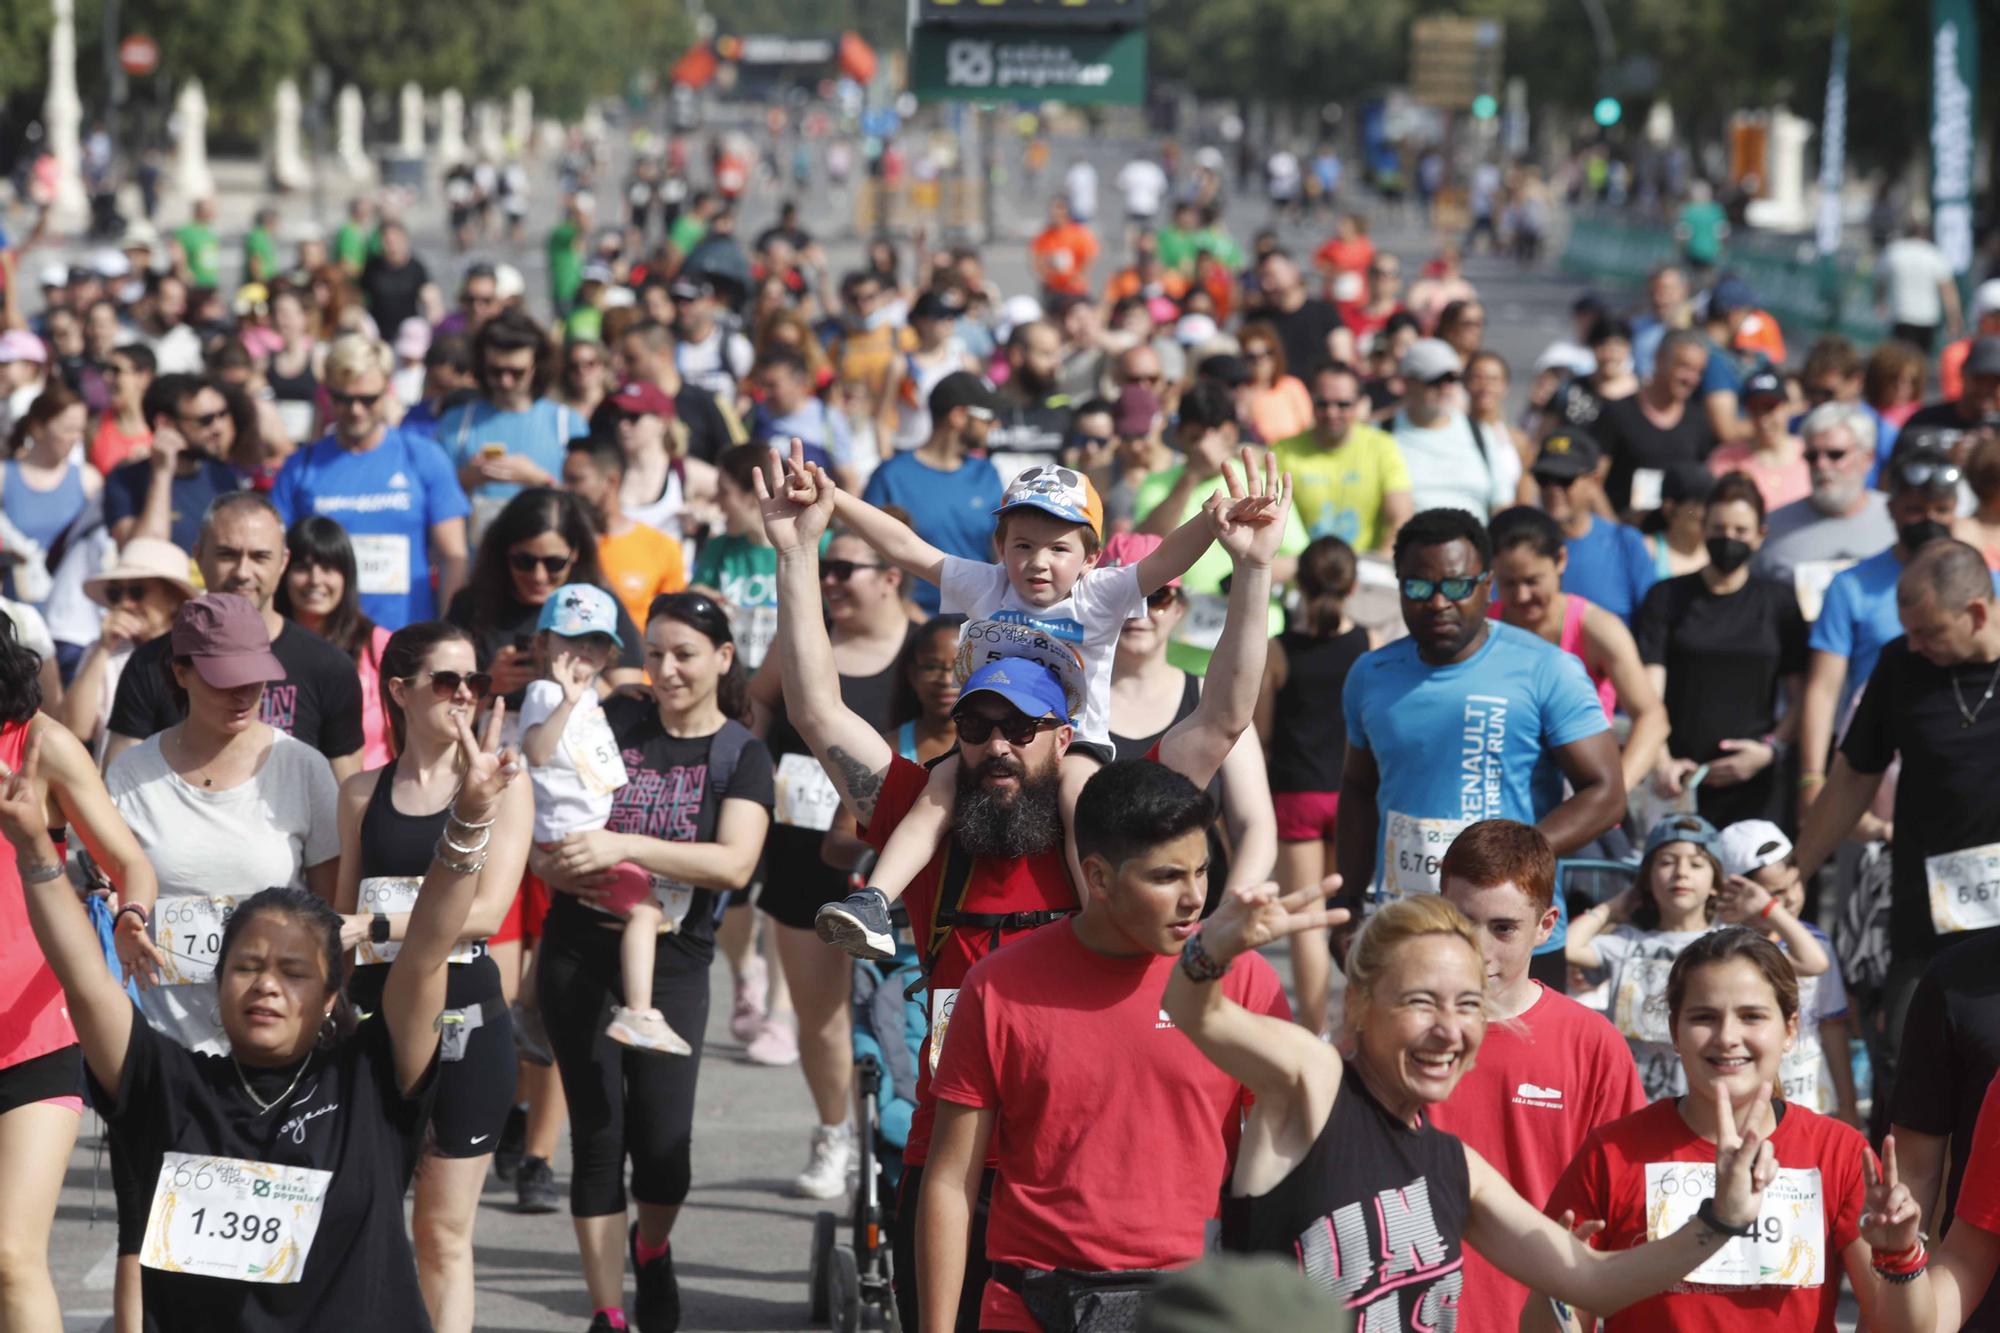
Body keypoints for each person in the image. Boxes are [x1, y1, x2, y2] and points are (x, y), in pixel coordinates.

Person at [760, 438, 1288, 1331]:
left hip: (1093, 1174)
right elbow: (817, 709)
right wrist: (795, 549)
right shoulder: (932, 826)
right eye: (977, 723)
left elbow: (1225, 716)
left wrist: (1253, 575)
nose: (996, 743)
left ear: (1065, 727)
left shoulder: (1112, 825)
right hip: (953, 1160)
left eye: (1021, 724)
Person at [14, 674, 519, 1331]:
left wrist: (471, 817)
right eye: (246, 966)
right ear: (219, 984)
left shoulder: (372, 1077)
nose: (266, 984)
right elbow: (84, 978)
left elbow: (426, 947)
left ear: (333, 992)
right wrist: (33, 848)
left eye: (292, 970)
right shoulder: (170, 1081)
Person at [1165, 891, 1787, 1327]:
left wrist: (1721, 1220)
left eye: (1467, 1005)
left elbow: (1595, 1280)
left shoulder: (1452, 1165)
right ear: (1359, 1004)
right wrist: (1210, 950)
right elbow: (1201, 1014)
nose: (1448, 1029)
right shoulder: (1316, 1086)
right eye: (1420, 1002)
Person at [817, 453, 1274, 962]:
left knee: (1082, 800)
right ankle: (875, 901)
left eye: (1059, 548)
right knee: (937, 791)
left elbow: (1166, 560)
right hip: (992, 738)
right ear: (1000, 548)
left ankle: (1098, 925)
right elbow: (906, 548)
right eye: (1023, 545)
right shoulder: (987, 585)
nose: (1038, 562)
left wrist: (1211, 521)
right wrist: (834, 497)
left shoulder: (1102, 595)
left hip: (1073, 742)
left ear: (1091, 557)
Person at [917, 760, 1293, 1331]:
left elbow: (1279, 1160)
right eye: (1167, 877)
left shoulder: (1241, 980)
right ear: (1097, 878)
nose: (1195, 898)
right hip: (1033, 1299)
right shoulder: (997, 986)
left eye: (1202, 870)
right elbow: (949, 1179)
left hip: (1193, 1302)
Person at [528, 592, 774, 1332]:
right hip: (579, 949)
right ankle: (608, 1311)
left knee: (663, 1151)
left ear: (723, 659)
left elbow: (733, 864)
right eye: (656, 652)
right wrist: (552, 866)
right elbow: (544, 800)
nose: (666, 669)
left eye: (685, 654)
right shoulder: (616, 719)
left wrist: (624, 846)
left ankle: (652, 1243)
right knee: (598, 1135)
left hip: (675, 960)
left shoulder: (740, 753)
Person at [101, 592, 345, 1331]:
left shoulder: (301, 768)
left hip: (274, 1057)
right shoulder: (131, 774)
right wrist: (126, 921)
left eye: (257, 676)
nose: (245, 692)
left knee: (261, 1254)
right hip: (167, 1048)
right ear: (179, 672)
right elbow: (110, 890)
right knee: (149, 1233)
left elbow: (330, 917)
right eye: (223, 675)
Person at [1542, 926, 1901, 1332]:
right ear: (1675, 1030)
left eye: (1751, 1016)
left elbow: (1899, 1323)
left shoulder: (1837, 1151)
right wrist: (1556, 1287)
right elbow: (1550, 1322)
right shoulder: (1612, 1152)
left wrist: (1903, 1255)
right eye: (1704, 1017)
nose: (1728, 1037)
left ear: (1789, 1029)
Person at [1795, 541, 2000, 1138]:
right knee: (1907, 1059)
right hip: (1925, 910)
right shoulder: (1900, 665)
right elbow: (1855, 774)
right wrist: (1801, 865)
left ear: (1978, 613)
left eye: (1930, 631)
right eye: (1908, 630)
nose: (1916, 644)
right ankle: (1904, 1224)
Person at [1336, 508, 1624, 904]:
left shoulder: (1547, 668)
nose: (1438, 603)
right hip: (1406, 925)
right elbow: (1357, 788)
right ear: (1399, 586)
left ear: (1487, 586)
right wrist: (1347, 901)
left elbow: (1606, 794)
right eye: (1419, 587)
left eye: (1457, 586)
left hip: (1515, 930)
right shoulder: (1371, 674)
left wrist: (1515, 858)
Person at [1427, 820, 1648, 1333]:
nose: (1480, 948)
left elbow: (1627, 1210)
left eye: (1503, 928)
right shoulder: (1398, 1031)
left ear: (1547, 926)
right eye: (1461, 920)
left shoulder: (1591, 1044)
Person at [0, 613, 156, 1333]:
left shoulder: (39, 743)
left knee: (10, 1255)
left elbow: (128, 861)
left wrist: (133, 917)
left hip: (35, 1034)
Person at [104, 492, 366, 779]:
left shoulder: (329, 667)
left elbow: (347, 800)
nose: (243, 572)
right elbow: (118, 786)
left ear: (283, 562)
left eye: (260, 556)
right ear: (199, 556)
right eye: (227, 554)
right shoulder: (151, 663)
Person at [1799, 446, 1975, 816]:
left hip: (1963, 765)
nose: (1928, 519)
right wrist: (1812, 777)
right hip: (1873, 772)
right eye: (1915, 509)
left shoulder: (1985, 586)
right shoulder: (1851, 586)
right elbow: (1823, 688)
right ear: (1891, 509)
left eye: (1940, 510)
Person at [1636, 472, 1807, 828]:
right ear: (1703, 529)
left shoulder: (1779, 602)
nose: (1728, 539)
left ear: (1761, 535)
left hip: (1757, 778)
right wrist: (1662, 760)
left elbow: (1802, 694)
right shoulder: (1665, 596)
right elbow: (1649, 689)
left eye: (1740, 531)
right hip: (1683, 777)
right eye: (1719, 528)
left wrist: (1769, 750)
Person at [269, 334, 470, 630]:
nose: (356, 410)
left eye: (368, 399)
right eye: (343, 399)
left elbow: (454, 556)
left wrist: (448, 632)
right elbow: (275, 557)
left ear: (388, 390)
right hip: (323, 641)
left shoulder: (422, 457)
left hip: (404, 638)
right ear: (327, 394)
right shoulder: (302, 466)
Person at [1255, 535, 1370, 1036]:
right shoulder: (1369, 645)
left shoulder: (1278, 652)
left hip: (1296, 795)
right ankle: (1355, 1031)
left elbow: (1259, 734)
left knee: (1306, 919)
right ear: (1354, 587)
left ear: (1298, 583)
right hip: (1352, 795)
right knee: (1350, 916)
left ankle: (1315, 1031)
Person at [1490, 506, 1670, 799]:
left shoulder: (1597, 629)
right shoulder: (1484, 629)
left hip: (1580, 795)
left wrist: (1610, 795)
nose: (1522, 596)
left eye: (1533, 581)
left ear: (1560, 560)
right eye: (1508, 583)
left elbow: (1652, 717)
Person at [1714, 819, 1858, 1122]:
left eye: (1796, 882)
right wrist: (1769, 911)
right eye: (1774, 893)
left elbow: (1832, 1028)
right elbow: (1811, 963)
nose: (1791, 897)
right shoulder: (1718, 949)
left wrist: (1848, 1106)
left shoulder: (1815, 942)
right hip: (1744, 1106)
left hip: (1811, 1101)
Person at [444, 487, 645, 702]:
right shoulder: (471, 606)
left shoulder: (600, 606)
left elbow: (629, 704)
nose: (539, 576)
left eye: (554, 563)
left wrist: (578, 675)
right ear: (504, 553)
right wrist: (488, 685)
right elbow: (442, 710)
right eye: (524, 561)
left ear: (575, 553)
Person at [861, 372, 1006, 615]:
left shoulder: (987, 473)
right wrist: (904, 609)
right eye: (988, 417)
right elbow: (867, 553)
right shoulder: (890, 476)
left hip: (977, 621)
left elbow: (1000, 552)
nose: (995, 425)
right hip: (908, 624)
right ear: (958, 416)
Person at [441, 308, 590, 538]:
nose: (505, 381)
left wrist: (538, 480)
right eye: (495, 371)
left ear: (535, 367)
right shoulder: (456, 424)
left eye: (516, 372)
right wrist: (472, 476)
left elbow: (587, 506)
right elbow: (432, 495)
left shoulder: (567, 424)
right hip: (476, 562)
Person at [275, 516, 395, 772]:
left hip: (368, 800)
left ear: (347, 575)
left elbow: (404, 740)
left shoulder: (378, 645)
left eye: (328, 568)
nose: (315, 580)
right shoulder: (265, 645)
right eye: (302, 568)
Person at [56, 538, 195, 757]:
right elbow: (75, 730)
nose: (125, 603)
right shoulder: (102, 650)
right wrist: (102, 648)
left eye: (137, 592)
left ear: (173, 598)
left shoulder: (196, 652)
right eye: (115, 594)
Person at [1752, 402, 1895, 614]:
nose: (1821, 464)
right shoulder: (1772, 528)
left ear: (1867, 459)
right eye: (1812, 456)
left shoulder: (1896, 517)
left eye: (1835, 455)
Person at [1271, 361, 1411, 553]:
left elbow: (1400, 518)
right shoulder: (1283, 451)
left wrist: (1378, 566)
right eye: (1322, 403)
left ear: (1360, 404)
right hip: (1302, 572)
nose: (1331, 412)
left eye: (1342, 404)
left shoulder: (1382, 446)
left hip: (1366, 569)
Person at [104, 372, 245, 552]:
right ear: (165, 423)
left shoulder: (223, 475)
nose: (219, 428)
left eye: (222, 414)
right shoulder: (125, 480)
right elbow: (143, 553)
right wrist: (162, 473)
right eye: (206, 420)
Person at [1530, 430, 1660, 624]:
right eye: (1544, 478)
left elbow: (1653, 622)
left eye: (1565, 479)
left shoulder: (1625, 543)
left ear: (1594, 482)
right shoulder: (1523, 546)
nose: (1553, 489)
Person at [562, 433, 686, 630]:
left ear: (611, 481)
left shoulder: (661, 547)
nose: (565, 489)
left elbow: (673, 626)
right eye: (565, 480)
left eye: (576, 480)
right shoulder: (556, 546)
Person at [1593, 330, 1719, 516]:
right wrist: (1617, 533)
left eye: (1698, 371)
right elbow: (1593, 481)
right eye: (1684, 367)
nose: (1690, 379)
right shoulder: (1617, 413)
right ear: (1660, 359)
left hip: (1671, 540)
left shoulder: (1698, 421)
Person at [1391, 339, 1514, 522]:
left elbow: (1502, 504)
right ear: (1408, 383)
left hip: (1474, 544)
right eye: (1436, 380)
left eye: (1452, 379)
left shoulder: (1480, 433)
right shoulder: (1383, 434)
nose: (1445, 388)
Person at [1, 384, 99, 605]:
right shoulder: (4, 477)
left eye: (80, 430)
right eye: (67, 429)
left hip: (71, 613)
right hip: (15, 610)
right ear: (38, 428)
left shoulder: (88, 480)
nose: (76, 438)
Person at [690, 444, 781, 671]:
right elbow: (694, 601)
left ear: (754, 495)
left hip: (788, 681)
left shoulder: (816, 546)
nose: (716, 502)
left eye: (724, 492)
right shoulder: (719, 547)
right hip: (733, 679)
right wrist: (699, 600)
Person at [1707, 367, 1810, 512]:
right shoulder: (1724, 460)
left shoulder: (1812, 454)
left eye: (1770, 408)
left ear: (1787, 407)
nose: (1763, 419)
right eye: (1755, 409)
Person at [1876, 219, 1963, 353]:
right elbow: (1947, 290)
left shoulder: (1894, 252)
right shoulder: (1933, 254)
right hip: (1927, 317)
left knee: (1900, 357)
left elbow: (1880, 281)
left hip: (1901, 314)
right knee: (1922, 359)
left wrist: (1880, 301)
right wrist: (1954, 318)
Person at [1237, 320, 1314, 444]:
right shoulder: (1241, 394)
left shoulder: (1292, 386)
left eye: (1267, 353)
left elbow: (1309, 427)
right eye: (1251, 357)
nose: (1260, 362)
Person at [89, 343, 156, 476]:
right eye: (105, 369)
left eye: (116, 370)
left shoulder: (163, 429)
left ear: (143, 378)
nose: (106, 377)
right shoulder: (93, 427)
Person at [1029, 197, 1098, 303]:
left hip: (1075, 290)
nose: (1056, 214)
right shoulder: (1044, 236)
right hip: (1052, 289)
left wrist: (1076, 277)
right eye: (1054, 210)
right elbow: (1036, 260)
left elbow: (1089, 256)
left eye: (1060, 209)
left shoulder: (1078, 234)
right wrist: (1048, 271)